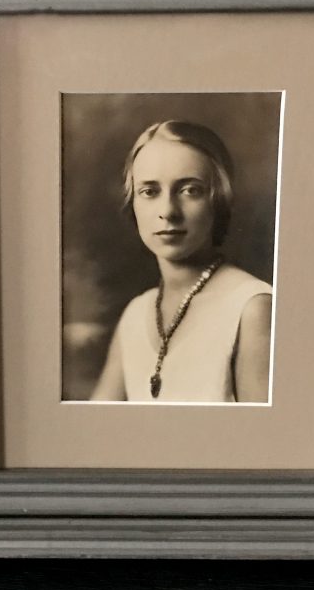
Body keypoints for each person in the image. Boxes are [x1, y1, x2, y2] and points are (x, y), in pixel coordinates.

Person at [90, 120, 273, 403]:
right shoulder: (136, 313)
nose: (168, 211)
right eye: (149, 191)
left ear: (218, 199)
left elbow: (268, 441)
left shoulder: (252, 309)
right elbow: (92, 430)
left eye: (190, 190)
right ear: (133, 202)